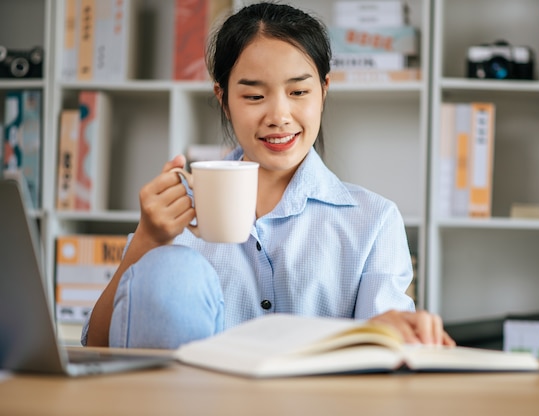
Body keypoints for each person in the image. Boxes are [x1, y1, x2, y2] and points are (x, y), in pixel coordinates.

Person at [85, 2, 455, 349]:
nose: (279, 115)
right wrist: (147, 239)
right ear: (223, 99)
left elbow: (384, 355)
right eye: (254, 97)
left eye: (298, 91)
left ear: (323, 92)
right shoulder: (173, 216)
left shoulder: (373, 221)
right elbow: (98, 346)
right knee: (171, 271)